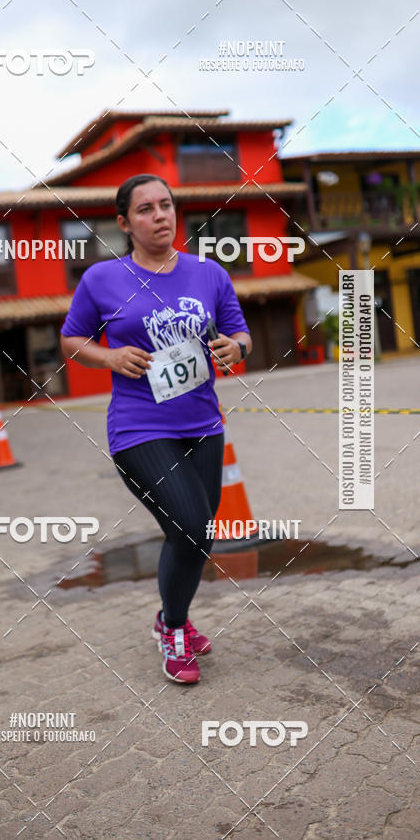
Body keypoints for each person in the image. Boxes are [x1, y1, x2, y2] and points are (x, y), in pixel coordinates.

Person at [60, 174, 252, 684]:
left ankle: (176, 618)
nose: (160, 215)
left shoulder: (208, 274)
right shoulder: (102, 279)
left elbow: (238, 328)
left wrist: (238, 348)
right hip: (139, 427)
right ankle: (172, 630)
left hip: (203, 424)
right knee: (190, 525)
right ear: (124, 223)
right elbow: (72, 339)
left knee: (193, 534)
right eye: (145, 209)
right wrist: (110, 355)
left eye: (166, 205)